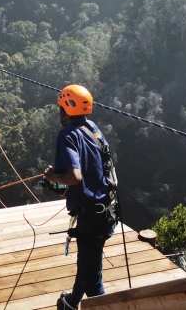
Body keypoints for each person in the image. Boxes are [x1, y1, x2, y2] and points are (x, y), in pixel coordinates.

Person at [44, 84, 117, 310]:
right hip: (106, 210)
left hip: (91, 217)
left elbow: (74, 176)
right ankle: (71, 303)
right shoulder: (92, 128)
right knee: (87, 264)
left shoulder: (67, 134)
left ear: (64, 110)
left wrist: (52, 176)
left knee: (94, 282)